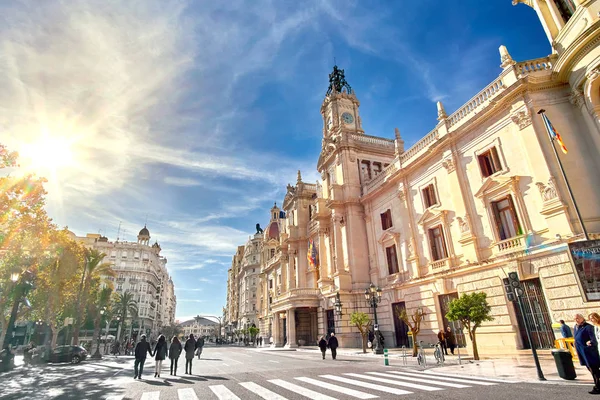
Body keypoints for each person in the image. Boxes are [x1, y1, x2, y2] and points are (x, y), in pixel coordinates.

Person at [574, 313, 600, 394]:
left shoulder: (588, 327)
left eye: (577, 318)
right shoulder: (576, 327)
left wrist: (590, 342)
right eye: (575, 318)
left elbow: (594, 339)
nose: (576, 320)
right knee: (591, 370)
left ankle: (597, 387)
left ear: (582, 318)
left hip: (590, 352)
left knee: (594, 370)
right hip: (582, 352)